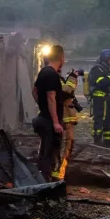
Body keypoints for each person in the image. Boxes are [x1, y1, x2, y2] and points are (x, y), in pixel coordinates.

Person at [32, 45, 65, 180]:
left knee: (43, 152)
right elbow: (51, 97)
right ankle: (45, 181)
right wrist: (56, 122)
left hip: (42, 118)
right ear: (61, 57)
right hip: (49, 122)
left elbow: (34, 91)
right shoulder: (52, 75)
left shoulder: (43, 71)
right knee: (49, 154)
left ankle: (40, 178)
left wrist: (42, 107)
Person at [51, 69, 84, 180]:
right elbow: (67, 90)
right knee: (65, 145)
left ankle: (58, 173)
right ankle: (57, 174)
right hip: (63, 117)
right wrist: (73, 76)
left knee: (65, 145)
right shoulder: (53, 77)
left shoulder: (53, 76)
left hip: (64, 117)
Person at [88, 49, 110, 146]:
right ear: (106, 58)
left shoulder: (105, 69)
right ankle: (97, 141)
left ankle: (109, 142)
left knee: (109, 120)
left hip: (107, 99)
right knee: (99, 120)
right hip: (99, 99)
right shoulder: (97, 69)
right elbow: (101, 82)